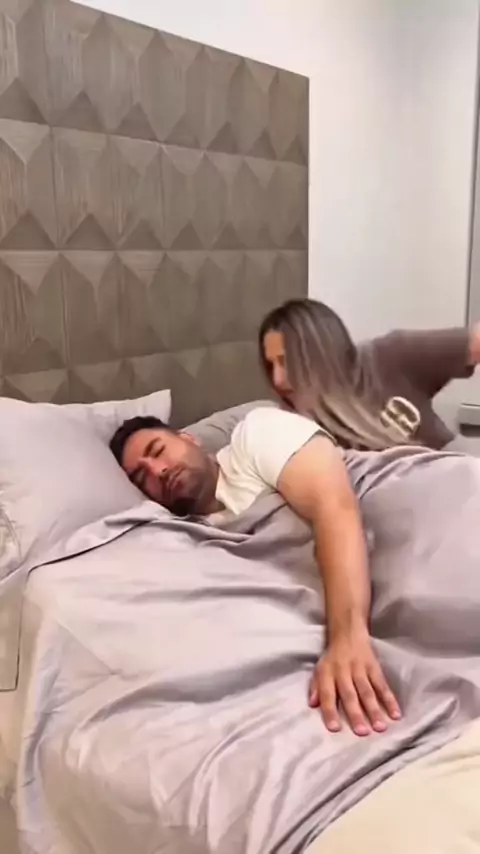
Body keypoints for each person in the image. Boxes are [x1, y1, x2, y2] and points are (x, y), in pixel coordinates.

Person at [110, 408, 402, 739]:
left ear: (188, 438)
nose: (158, 471)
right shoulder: (186, 540)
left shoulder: (254, 436)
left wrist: (346, 638)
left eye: (158, 451)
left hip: (394, 528)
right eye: (142, 478)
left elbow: (334, 507)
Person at [259, 298, 480, 450]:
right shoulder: (291, 430)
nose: (278, 379)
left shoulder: (390, 356)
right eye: (270, 366)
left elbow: (476, 341)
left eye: (287, 362)